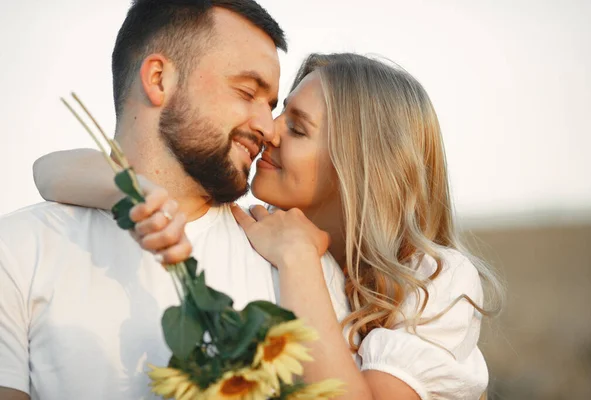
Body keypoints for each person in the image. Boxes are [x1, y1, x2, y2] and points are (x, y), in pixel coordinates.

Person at [32, 53, 505, 399]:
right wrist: (136, 194)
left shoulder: (430, 278)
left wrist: (299, 257)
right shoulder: (257, 230)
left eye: (297, 128)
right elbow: (49, 171)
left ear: (360, 167)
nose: (270, 130)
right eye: (280, 113)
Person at [0, 1, 347, 399]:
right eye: (247, 92)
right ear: (159, 79)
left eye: (271, 106)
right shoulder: (18, 249)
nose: (269, 129)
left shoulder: (298, 262)